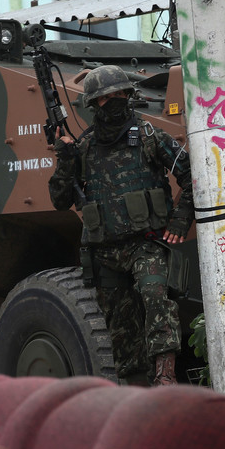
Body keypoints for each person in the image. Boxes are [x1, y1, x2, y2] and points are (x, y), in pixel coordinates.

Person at [48, 64, 194, 387]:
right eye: (105, 97)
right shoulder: (83, 148)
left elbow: (191, 174)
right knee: (122, 335)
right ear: (93, 104)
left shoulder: (147, 137)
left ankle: (165, 377)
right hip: (107, 254)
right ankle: (137, 399)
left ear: (128, 96)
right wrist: (65, 158)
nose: (114, 101)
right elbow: (59, 199)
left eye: (119, 94)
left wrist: (182, 218)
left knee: (156, 295)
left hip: (146, 243)